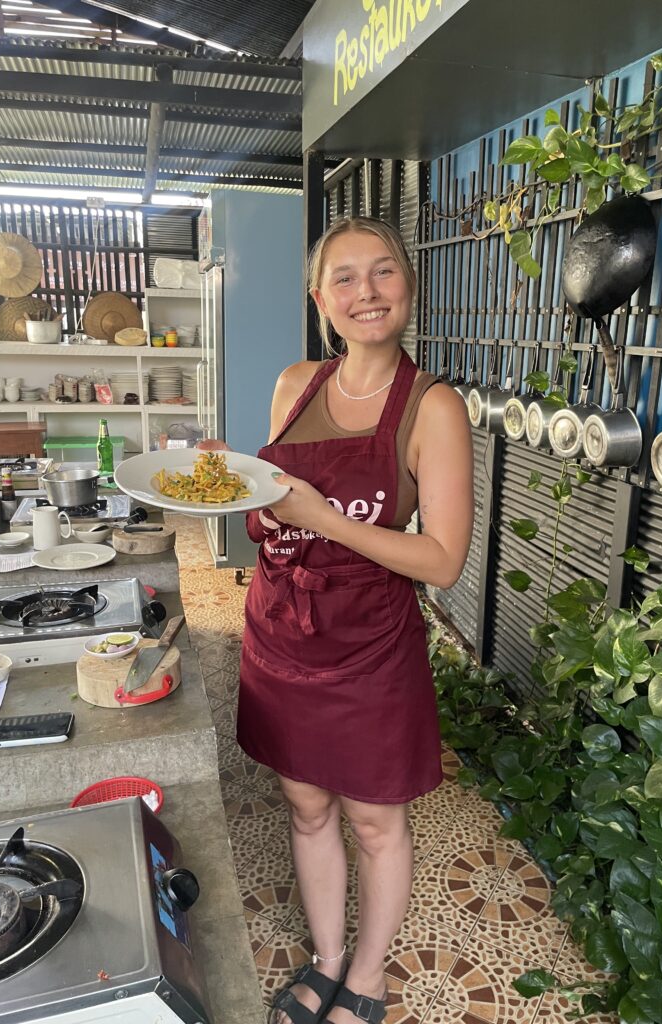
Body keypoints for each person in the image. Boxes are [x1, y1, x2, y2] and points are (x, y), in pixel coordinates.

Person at [200, 216, 473, 1024]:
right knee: (308, 805)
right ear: (322, 298)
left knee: (374, 819)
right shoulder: (296, 384)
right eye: (345, 278)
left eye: (383, 273)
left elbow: (444, 560)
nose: (366, 292)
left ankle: (370, 972)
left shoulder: (433, 407)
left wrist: (328, 519)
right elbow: (273, 505)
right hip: (281, 633)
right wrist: (245, 493)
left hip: (371, 648)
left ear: (408, 287)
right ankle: (325, 958)